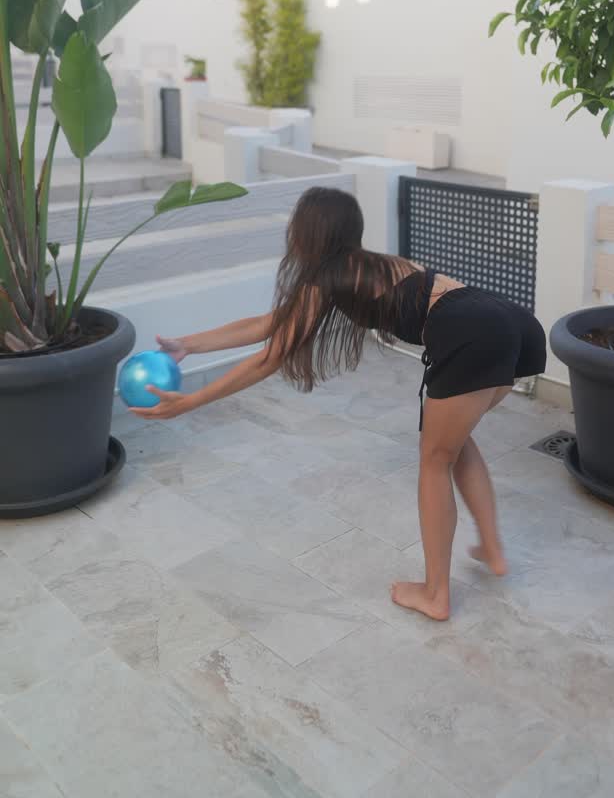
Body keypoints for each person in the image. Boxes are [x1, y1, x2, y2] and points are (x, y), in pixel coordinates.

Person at [129, 186, 546, 621]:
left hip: (471, 331)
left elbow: (270, 357)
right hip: (506, 321)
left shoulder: (332, 276)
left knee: (434, 460)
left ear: (308, 232)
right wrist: (188, 345)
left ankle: (436, 594)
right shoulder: (360, 267)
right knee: (452, 447)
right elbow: (269, 325)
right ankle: (492, 546)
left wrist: (191, 400)